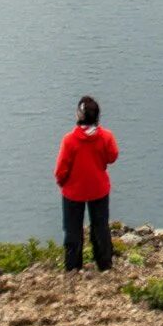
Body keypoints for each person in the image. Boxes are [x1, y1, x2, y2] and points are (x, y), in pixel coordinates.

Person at [55, 95, 120, 272]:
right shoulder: (106, 137)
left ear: (80, 115)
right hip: (98, 189)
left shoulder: (69, 140)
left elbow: (61, 169)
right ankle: (105, 264)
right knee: (100, 228)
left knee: (73, 231)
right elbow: (112, 156)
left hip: (73, 192)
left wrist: (63, 183)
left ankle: (73, 267)